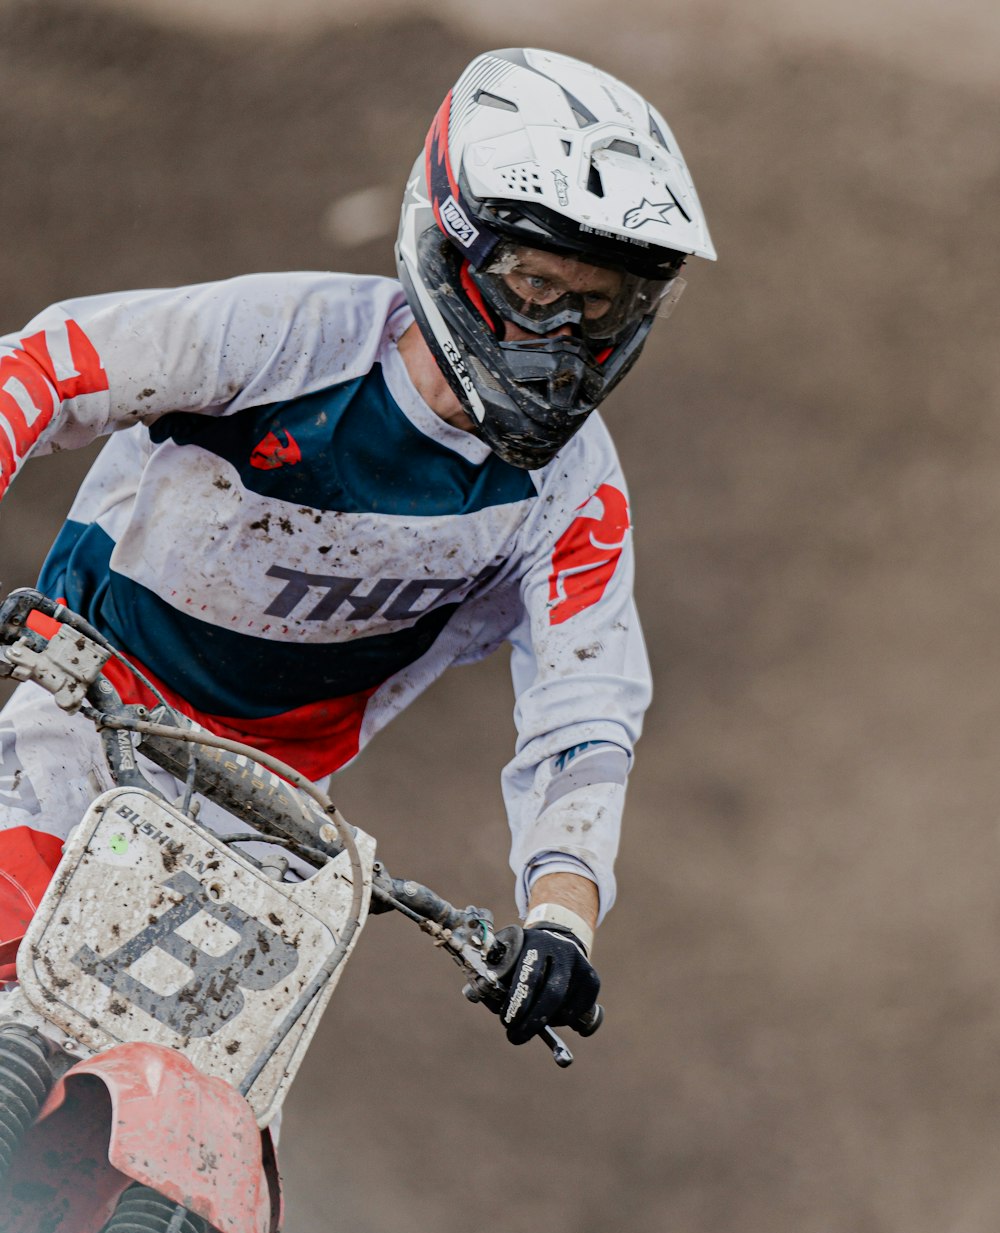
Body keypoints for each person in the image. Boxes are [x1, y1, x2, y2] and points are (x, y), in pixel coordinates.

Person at [0, 47, 714, 1046]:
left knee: (209, 1152)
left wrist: (561, 918)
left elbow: (585, 711)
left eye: (595, 308)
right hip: (80, 721)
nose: (556, 339)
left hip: (272, 830)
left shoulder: (570, 485)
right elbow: (46, 365)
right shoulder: (287, 338)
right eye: (532, 286)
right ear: (452, 249)